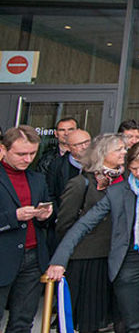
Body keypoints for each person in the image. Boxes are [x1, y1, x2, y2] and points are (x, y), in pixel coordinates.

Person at [46, 139, 139, 333]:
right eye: (133, 168)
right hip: (128, 261)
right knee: (134, 324)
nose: (138, 174)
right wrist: (59, 260)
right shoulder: (117, 191)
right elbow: (83, 225)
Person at [55, 133, 128, 333]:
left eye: (124, 148)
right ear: (102, 153)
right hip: (89, 258)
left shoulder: (128, 180)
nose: (124, 152)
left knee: (120, 313)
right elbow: (65, 223)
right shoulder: (81, 183)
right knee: (90, 316)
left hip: (118, 254)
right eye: (119, 149)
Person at [1, 126, 53, 333]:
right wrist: (14, 217)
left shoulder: (37, 178)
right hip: (3, 255)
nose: (28, 159)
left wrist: (45, 215)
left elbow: (48, 213)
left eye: (32, 153)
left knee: (22, 322)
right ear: (3, 149)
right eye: (21, 154)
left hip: (32, 257)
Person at [48, 128, 91, 204]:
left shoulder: (100, 163)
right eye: (79, 144)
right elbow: (50, 194)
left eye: (87, 142)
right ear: (68, 147)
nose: (84, 147)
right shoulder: (57, 165)